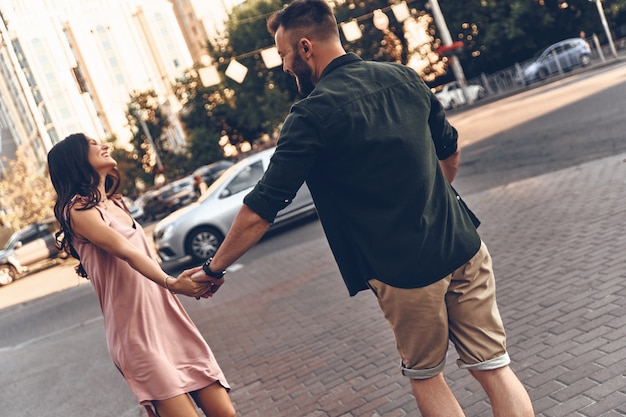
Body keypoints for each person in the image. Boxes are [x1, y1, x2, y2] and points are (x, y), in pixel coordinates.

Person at [192, 1, 535, 416]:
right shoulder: (404, 77)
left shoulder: (310, 115)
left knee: (427, 376)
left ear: (305, 48)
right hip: (464, 246)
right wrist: (430, 198)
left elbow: (260, 209)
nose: (282, 66)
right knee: (495, 368)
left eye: (282, 54)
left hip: (405, 272)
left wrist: (212, 270)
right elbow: (450, 152)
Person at [47, 133, 236, 417]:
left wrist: (190, 279)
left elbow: (145, 259)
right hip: (136, 334)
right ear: (76, 158)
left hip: (168, 320)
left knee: (225, 413)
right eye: (93, 144)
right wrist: (173, 283)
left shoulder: (118, 205)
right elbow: (126, 252)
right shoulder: (76, 209)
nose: (104, 145)